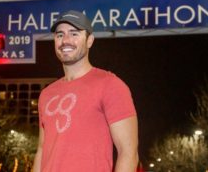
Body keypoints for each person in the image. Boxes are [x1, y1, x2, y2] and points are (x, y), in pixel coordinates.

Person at [33, 10, 138, 172]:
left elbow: (128, 153)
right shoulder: (46, 94)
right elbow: (41, 149)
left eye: (74, 34)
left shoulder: (110, 85)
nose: (65, 40)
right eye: (60, 35)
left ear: (90, 41)